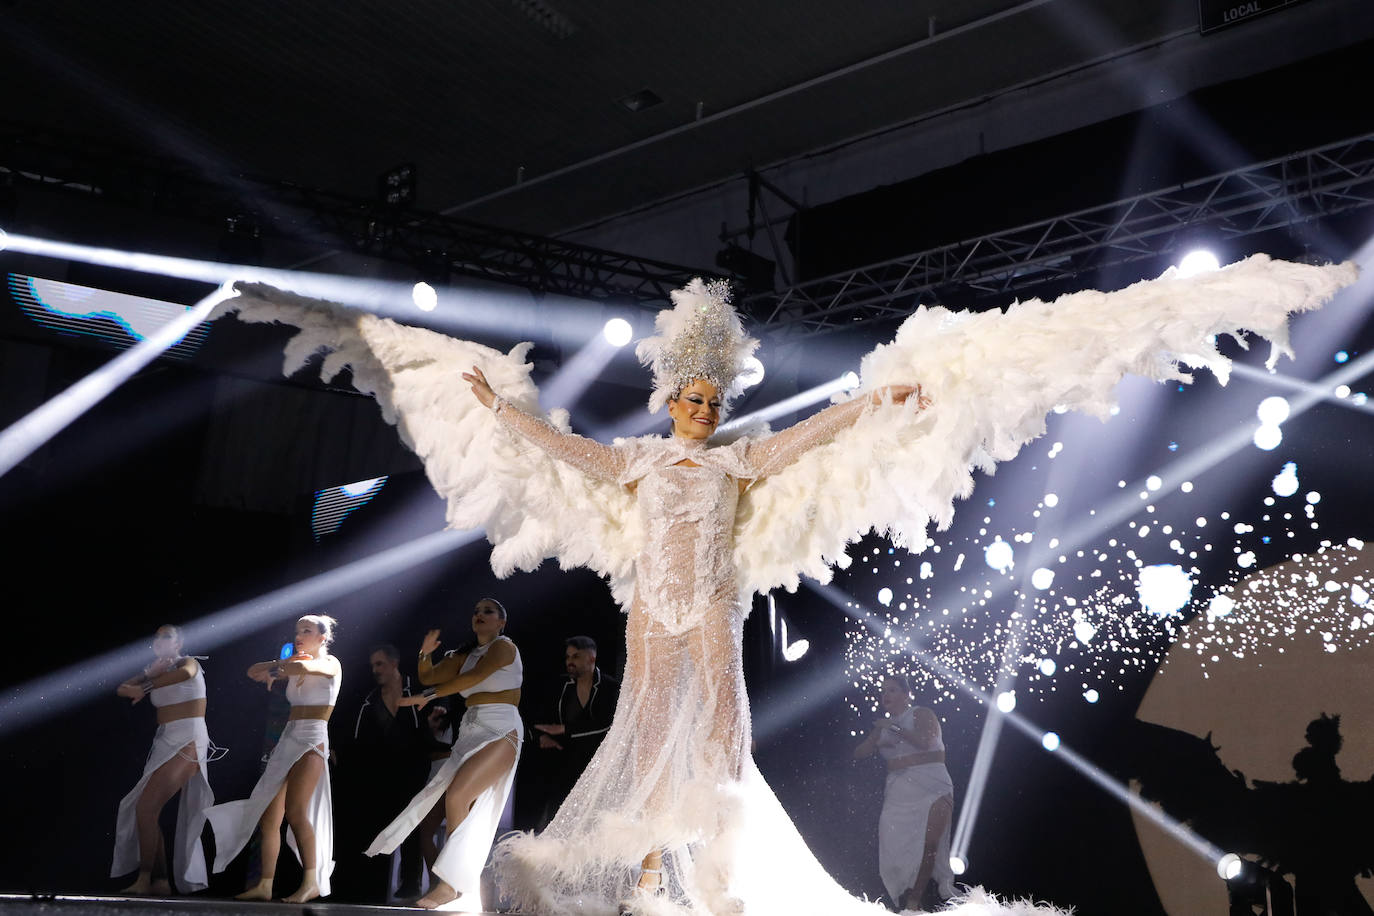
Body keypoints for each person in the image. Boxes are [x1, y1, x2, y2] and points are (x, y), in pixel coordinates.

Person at [215, 256, 1355, 915]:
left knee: (712, 745)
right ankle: (649, 872)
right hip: (648, 617)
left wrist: (884, 404)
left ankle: (713, 879)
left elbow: (810, 435)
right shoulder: (639, 459)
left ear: (720, 401)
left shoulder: (736, 461)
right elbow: (557, 449)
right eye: (692, 400)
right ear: (670, 394)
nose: (703, 415)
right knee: (643, 738)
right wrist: (490, 406)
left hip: (706, 614)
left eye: (714, 402)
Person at [365, 597, 523, 911]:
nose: (479, 615)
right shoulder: (464, 654)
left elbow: (473, 679)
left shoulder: (505, 647)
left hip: (501, 729)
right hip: (470, 732)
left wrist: (429, 696)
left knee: (456, 797)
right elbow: (429, 675)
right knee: (463, 808)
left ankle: (448, 884)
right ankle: (465, 889)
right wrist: (425, 652)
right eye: (475, 611)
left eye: (487, 611)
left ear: (501, 622)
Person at [205, 614, 341, 903]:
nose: (299, 635)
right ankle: (265, 884)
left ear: (323, 637)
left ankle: (310, 882)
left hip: (312, 740)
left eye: (307, 630)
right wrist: (279, 666)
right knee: (269, 817)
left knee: (296, 811)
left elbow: (305, 666)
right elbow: (253, 671)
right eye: (297, 631)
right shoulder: (291, 665)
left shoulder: (330, 663)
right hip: (288, 740)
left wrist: (282, 667)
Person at [111, 624, 216, 895]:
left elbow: (184, 674)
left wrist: (145, 685)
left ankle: (145, 878)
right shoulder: (156, 669)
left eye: (166, 636)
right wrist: (148, 673)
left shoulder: (189, 662)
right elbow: (122, 689)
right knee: (145, 810)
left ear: (179, 642)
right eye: (156, 636)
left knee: (145, 807)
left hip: (189, 739)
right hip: (164, 741)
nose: (160, 640)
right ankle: (160, 880)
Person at [334, 644, 428, 903]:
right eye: (372, 665)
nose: (375, 670)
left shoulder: (417, 691)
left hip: (412, 772)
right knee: (372, 828)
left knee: (409, 826)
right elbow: (355, 738)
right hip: (378, 775)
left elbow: (429, 730)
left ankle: (411, 883)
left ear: (394, 663)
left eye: (380, 664)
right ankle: (369, 883)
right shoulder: (369, 700)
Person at [854, 674, 956, 911]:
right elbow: (859, 753)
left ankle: (913, 902)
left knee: (929, 843)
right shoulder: (883, 726)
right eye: (883, 691)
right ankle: (906, 896)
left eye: (892, 690)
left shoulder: (921, 713)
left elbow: (925, 742)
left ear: (906, 694)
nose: (885, 695)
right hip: (900, 792)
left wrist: (895, 729)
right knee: (893, 844)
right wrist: (874, 739)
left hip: (932, 785)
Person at [532, 635, 620, 827]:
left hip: (596, 764)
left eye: (576, 656)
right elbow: (537, 719)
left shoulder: (609, 686)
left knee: (592, 821)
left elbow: (607, 723)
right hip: (561, 762)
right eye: (568, 657)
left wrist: (565, 729)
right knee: (555, 817)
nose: (570, 661)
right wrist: (542, 737)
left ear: (591, 658)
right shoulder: (559, 685)